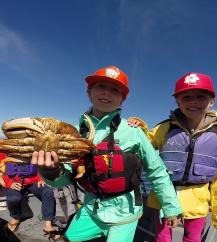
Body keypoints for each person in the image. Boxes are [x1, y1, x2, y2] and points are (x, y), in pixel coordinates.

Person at [31, 66, 182, 242]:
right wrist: (50, 171)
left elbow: (157, 171)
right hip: (90, 208)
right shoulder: (74, 133)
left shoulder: (134, 132)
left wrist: (171, 208)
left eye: (115, 90)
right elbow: (64, 179)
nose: (107, 93)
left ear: (122, 99)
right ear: (89, 92)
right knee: (68, 239)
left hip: (125, 213)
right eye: (101, 86)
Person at [128, 72, 217, 242]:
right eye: (186, 97)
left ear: (211, 101)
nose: (193, 102)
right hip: (162, 197)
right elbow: (140, 147)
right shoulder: (164, 128)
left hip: (198, 201)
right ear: (177, 101)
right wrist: (138, 128)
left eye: (200, 97)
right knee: (162, 239)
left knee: (192, 239)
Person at [0, 153, 62, 241]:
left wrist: (40, 178)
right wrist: (8, 183)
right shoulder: (4, 152)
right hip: (14, 182)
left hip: (32, 181)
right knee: (14, 198)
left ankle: (48, 224)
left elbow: (40, 167)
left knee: (48, 191)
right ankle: (16, 217)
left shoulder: (33, 150)